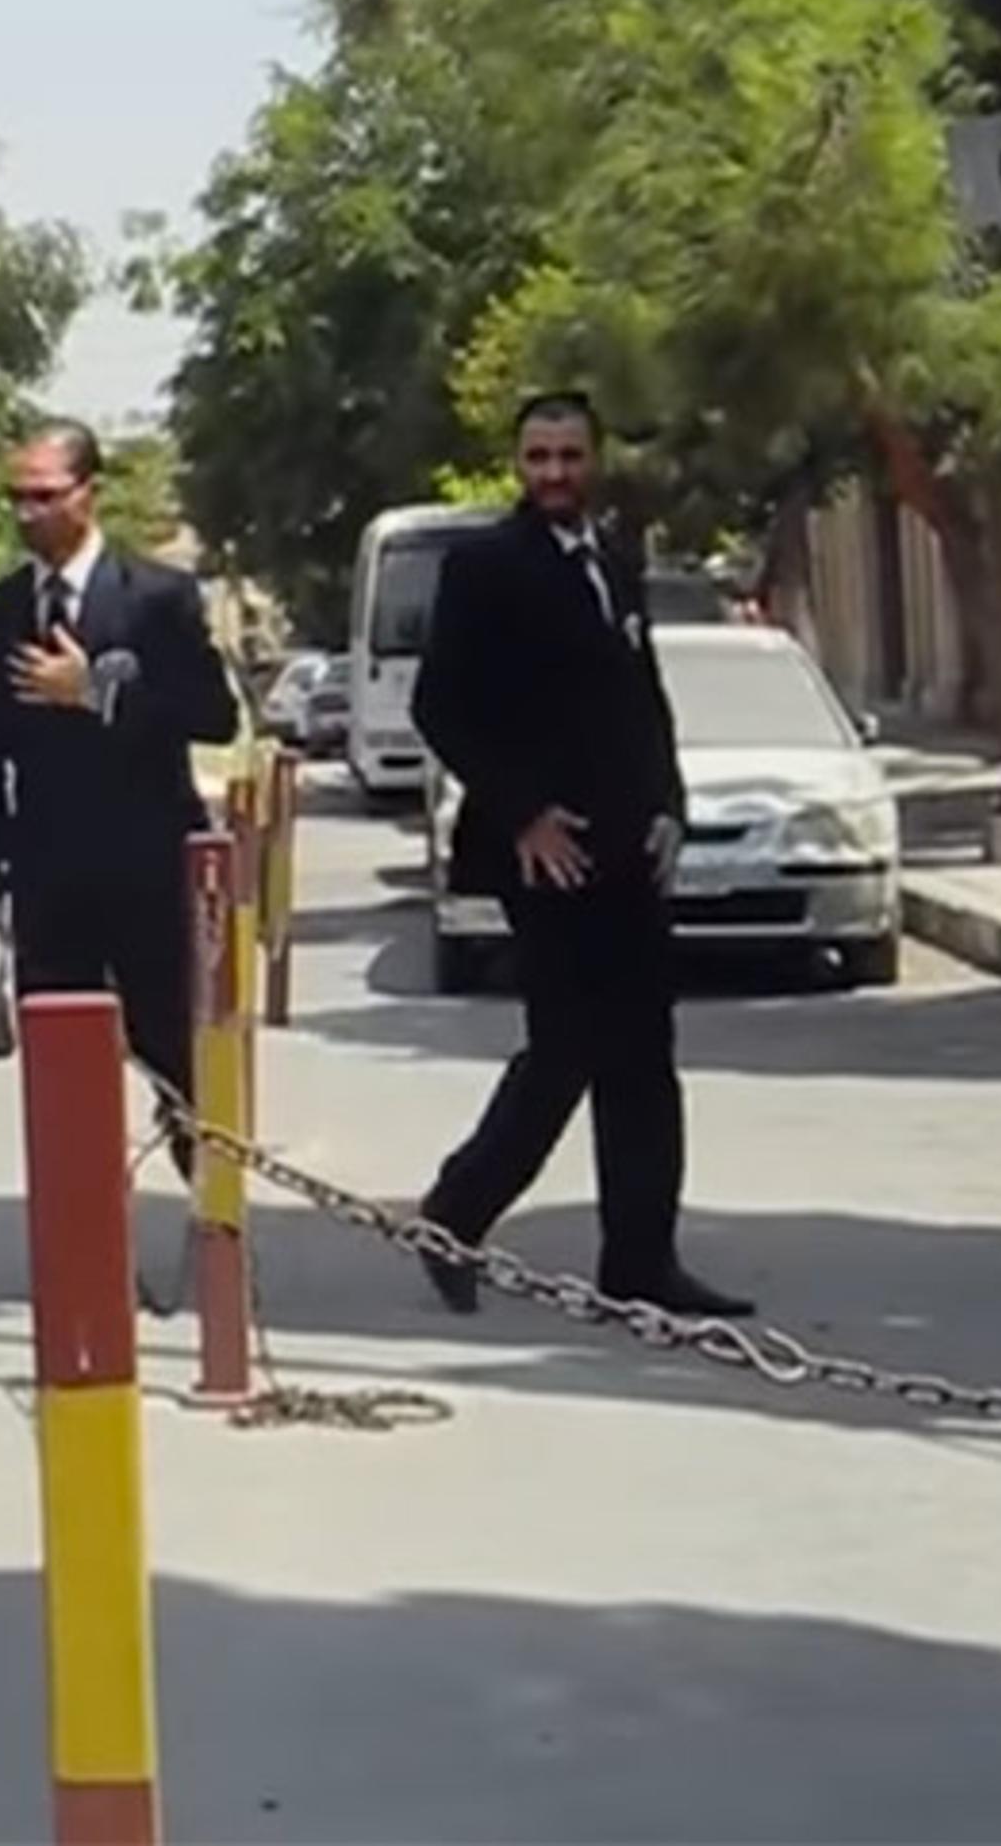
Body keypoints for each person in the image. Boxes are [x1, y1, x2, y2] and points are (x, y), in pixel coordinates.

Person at [409, 391, 754, 1320]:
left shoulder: (615, 560)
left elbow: (643, 698)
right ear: (517, 465)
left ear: (593, 459)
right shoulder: (486, 567)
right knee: (565, 1049)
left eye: (568, 455)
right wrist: (524, 815)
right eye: (538, 457)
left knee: (644, 1054)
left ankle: (642, 1260)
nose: (554, 473)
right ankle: (455, 1213)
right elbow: (439, 707)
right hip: (543, 853)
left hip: (630, 846)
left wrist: (671, 806)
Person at [0, 422, 240, 1172]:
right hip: (50, 887)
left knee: (179, 1064)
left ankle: (214, 1237)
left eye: (44, 496)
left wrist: (101, 690)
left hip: (153, 877)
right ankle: (84, 1259)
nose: (27, 513)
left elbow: (216, 716)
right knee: (65, 1081)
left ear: (89, 493)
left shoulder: (159, 599)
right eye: (16, 498)